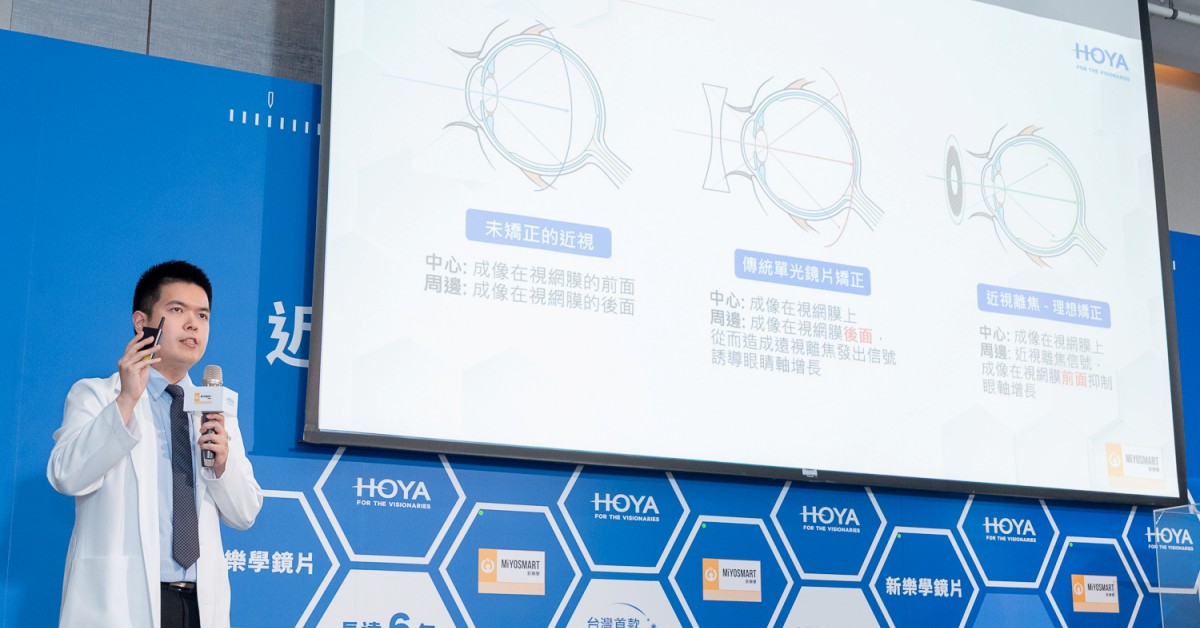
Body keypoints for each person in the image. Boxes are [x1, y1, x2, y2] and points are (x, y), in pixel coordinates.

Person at [47, 260, 262, 628]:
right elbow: (66, 475)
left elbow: (245, 513)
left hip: (197, 606)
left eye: (203, 315)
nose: (193, 324)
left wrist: (222, 466)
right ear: (141, 322)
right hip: (120, 604)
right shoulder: (99, 396)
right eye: (177, 310)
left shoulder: (215, 409)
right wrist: (126, 401)